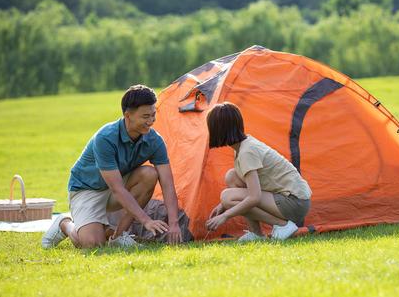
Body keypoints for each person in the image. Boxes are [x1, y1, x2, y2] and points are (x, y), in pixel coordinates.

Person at [42, 85, 182, 249]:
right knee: (93, 245)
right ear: (127, 115)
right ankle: (65, 224)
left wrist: (174, 223)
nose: (151, 121)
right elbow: (118, 189)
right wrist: (146, 220)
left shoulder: (155, 140)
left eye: (153, 115)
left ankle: (117, 236)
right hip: (87, 189)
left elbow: (167, 183)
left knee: (150, 174)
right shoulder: (105, 137)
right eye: (145, 116)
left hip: (116, 188)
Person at [205, 102, 312, 242]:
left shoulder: (246, 152)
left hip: (294, 202)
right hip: (286, 197)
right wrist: (222, 206)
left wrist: (225, 215)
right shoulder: (242, 146)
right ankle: (256, 234)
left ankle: (283, 226)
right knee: (232, 177)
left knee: (227, 197)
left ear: (220, 129)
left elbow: (254, 196)